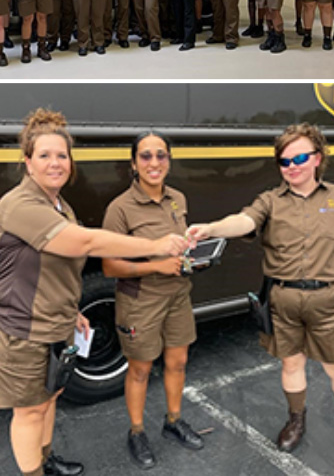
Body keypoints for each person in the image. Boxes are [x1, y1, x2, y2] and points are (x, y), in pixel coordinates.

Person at [0, 109, 188, 476]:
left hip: (56, 321)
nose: (55, 163)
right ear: (27, 162)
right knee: (29, 410)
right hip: (20, 328)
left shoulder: (60, 204)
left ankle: (46, 460)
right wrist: (156, 245)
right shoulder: (21, 205)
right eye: (44, 155)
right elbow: (85, 242)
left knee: (50, 399)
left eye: (62, 155)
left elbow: (57, 268)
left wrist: (70, 310)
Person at [188, 124, 334, 466]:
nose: (291, 166)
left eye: (299, 157)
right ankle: (296, 420)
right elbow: (244, 221)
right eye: (284, 161)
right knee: (291, 364)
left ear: (317, 159)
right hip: (283, 300)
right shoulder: (270, 201)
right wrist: (211, 228)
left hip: (330, 300)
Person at [101, 132, 204, 468]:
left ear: (169, 161)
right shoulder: (120, 209)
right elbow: (109, 265)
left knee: (177, 362)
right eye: (145, 156)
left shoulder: (178, 199)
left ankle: (173, 421)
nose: (154, 163)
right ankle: (136, 432)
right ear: (133, 164)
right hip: (140, 300)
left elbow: (179, 245)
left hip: (177, 294)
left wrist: (192, 257)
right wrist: (157, 263)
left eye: (161, 155)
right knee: (141, 370)